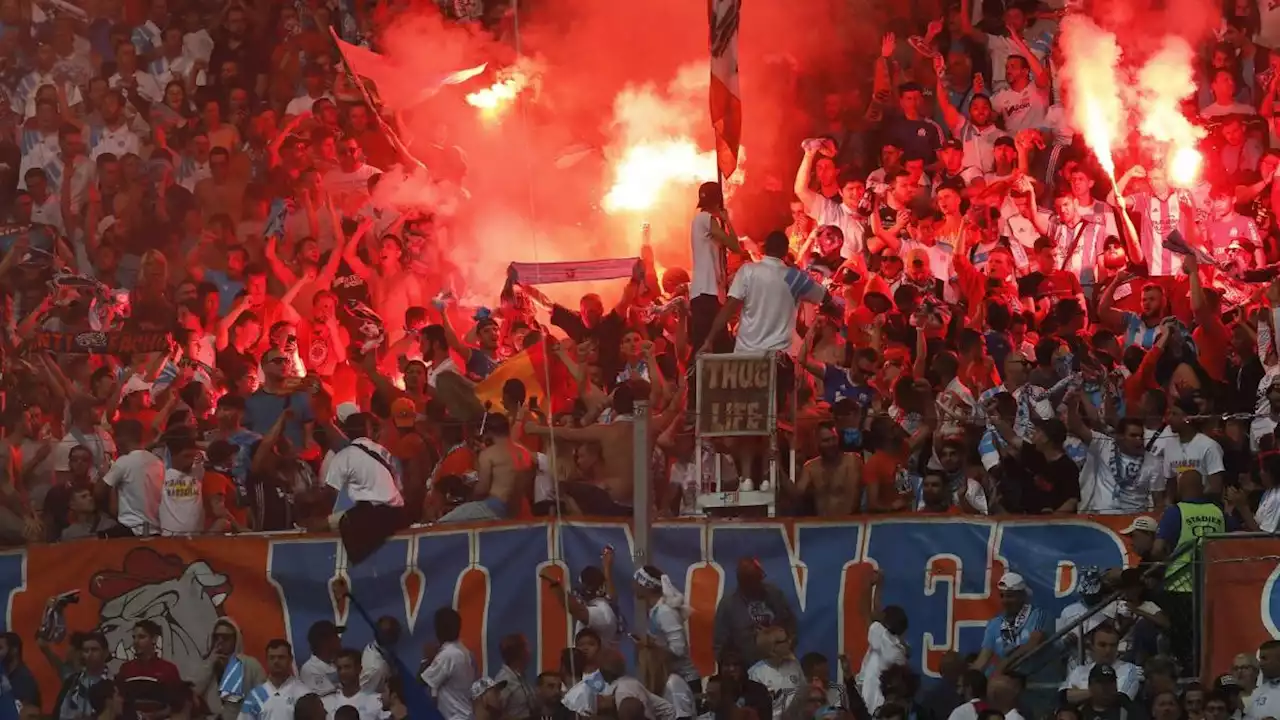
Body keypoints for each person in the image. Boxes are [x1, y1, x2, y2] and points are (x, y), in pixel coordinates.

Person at [197, 618, 266, 720]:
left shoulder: (251, 665)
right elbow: (194, 693)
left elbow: (263, 700)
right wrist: (209, 665)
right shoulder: (206, 665)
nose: (220, 642)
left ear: (236, 639)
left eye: (225, 638)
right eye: (216, 637)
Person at [420, 607, 476, 720]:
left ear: (437, 630)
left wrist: (426, 659)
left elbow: (421, 681)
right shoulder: (464, 651)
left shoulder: (447, 655)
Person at [117, 621, 182, 717]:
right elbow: (118, 701)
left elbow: (177, 706)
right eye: (134, 637)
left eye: (141, 637)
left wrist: (154, 715)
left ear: (154, 639)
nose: (136, 642)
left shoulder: (168, 669)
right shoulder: (125, 668)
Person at [239, 640, 311, 720]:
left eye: (281, 657)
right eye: (272, 658)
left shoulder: (303, 693)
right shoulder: (255, 696)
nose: (276, 661)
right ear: (266, 660)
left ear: (290, 659)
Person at [322, 650, 383, 720]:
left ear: (359, 669)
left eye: (347, 667)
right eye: (339, 668)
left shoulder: (376, 701)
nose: (343, 672)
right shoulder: (327, 703)